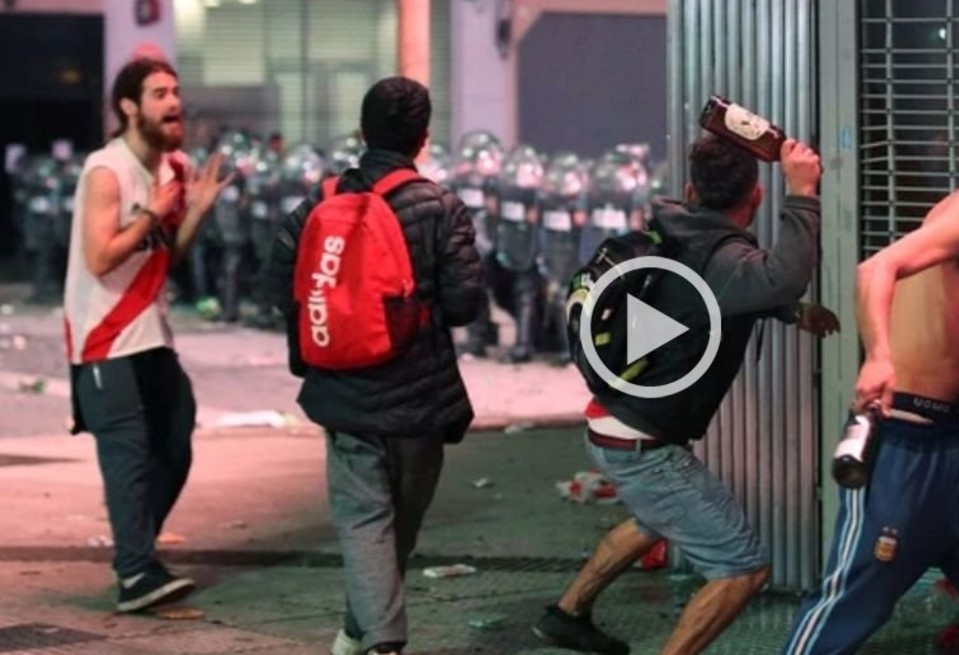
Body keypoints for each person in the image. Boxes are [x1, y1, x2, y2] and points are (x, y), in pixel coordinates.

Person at [782, 90, 959, 655]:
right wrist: (880, 356)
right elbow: (876, 268)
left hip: (953, 447)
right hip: (901, 446)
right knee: (852, 600)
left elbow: (950, 325)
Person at [533, 135, 833, 655]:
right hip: (644, 445)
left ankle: (567, 614)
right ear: (757, 197)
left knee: (656, 517)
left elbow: (711, 297)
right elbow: (781, 278)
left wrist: (790, 313)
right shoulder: (727, 258)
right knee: (742, 566)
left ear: (691, 189)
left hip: (613, 422)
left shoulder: (675, 232)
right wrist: (803, 192)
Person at [263, 76, 484, 655]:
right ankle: (385, 644)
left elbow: (277, 280)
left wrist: (322, 326)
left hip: (344, 391)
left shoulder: (322, 198)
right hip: (418, 398)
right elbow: (465, 305)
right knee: (395, 527)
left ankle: (360, 632)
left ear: (362, 133)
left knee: (368, 527)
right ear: (423, 139)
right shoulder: (441, 206)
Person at [63, 57, 229, 612]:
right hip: (104, 338)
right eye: (159, 93)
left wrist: (195, 211)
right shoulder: (106, 171)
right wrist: (153, 215)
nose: (174, 102)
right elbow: (100, 256)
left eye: (176, 91)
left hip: (152, 332)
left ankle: (138, 553)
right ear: (130, 107)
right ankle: (135, 572)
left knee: (175, 440)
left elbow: (166, 258)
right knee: (129, 454)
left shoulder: (174, 169)